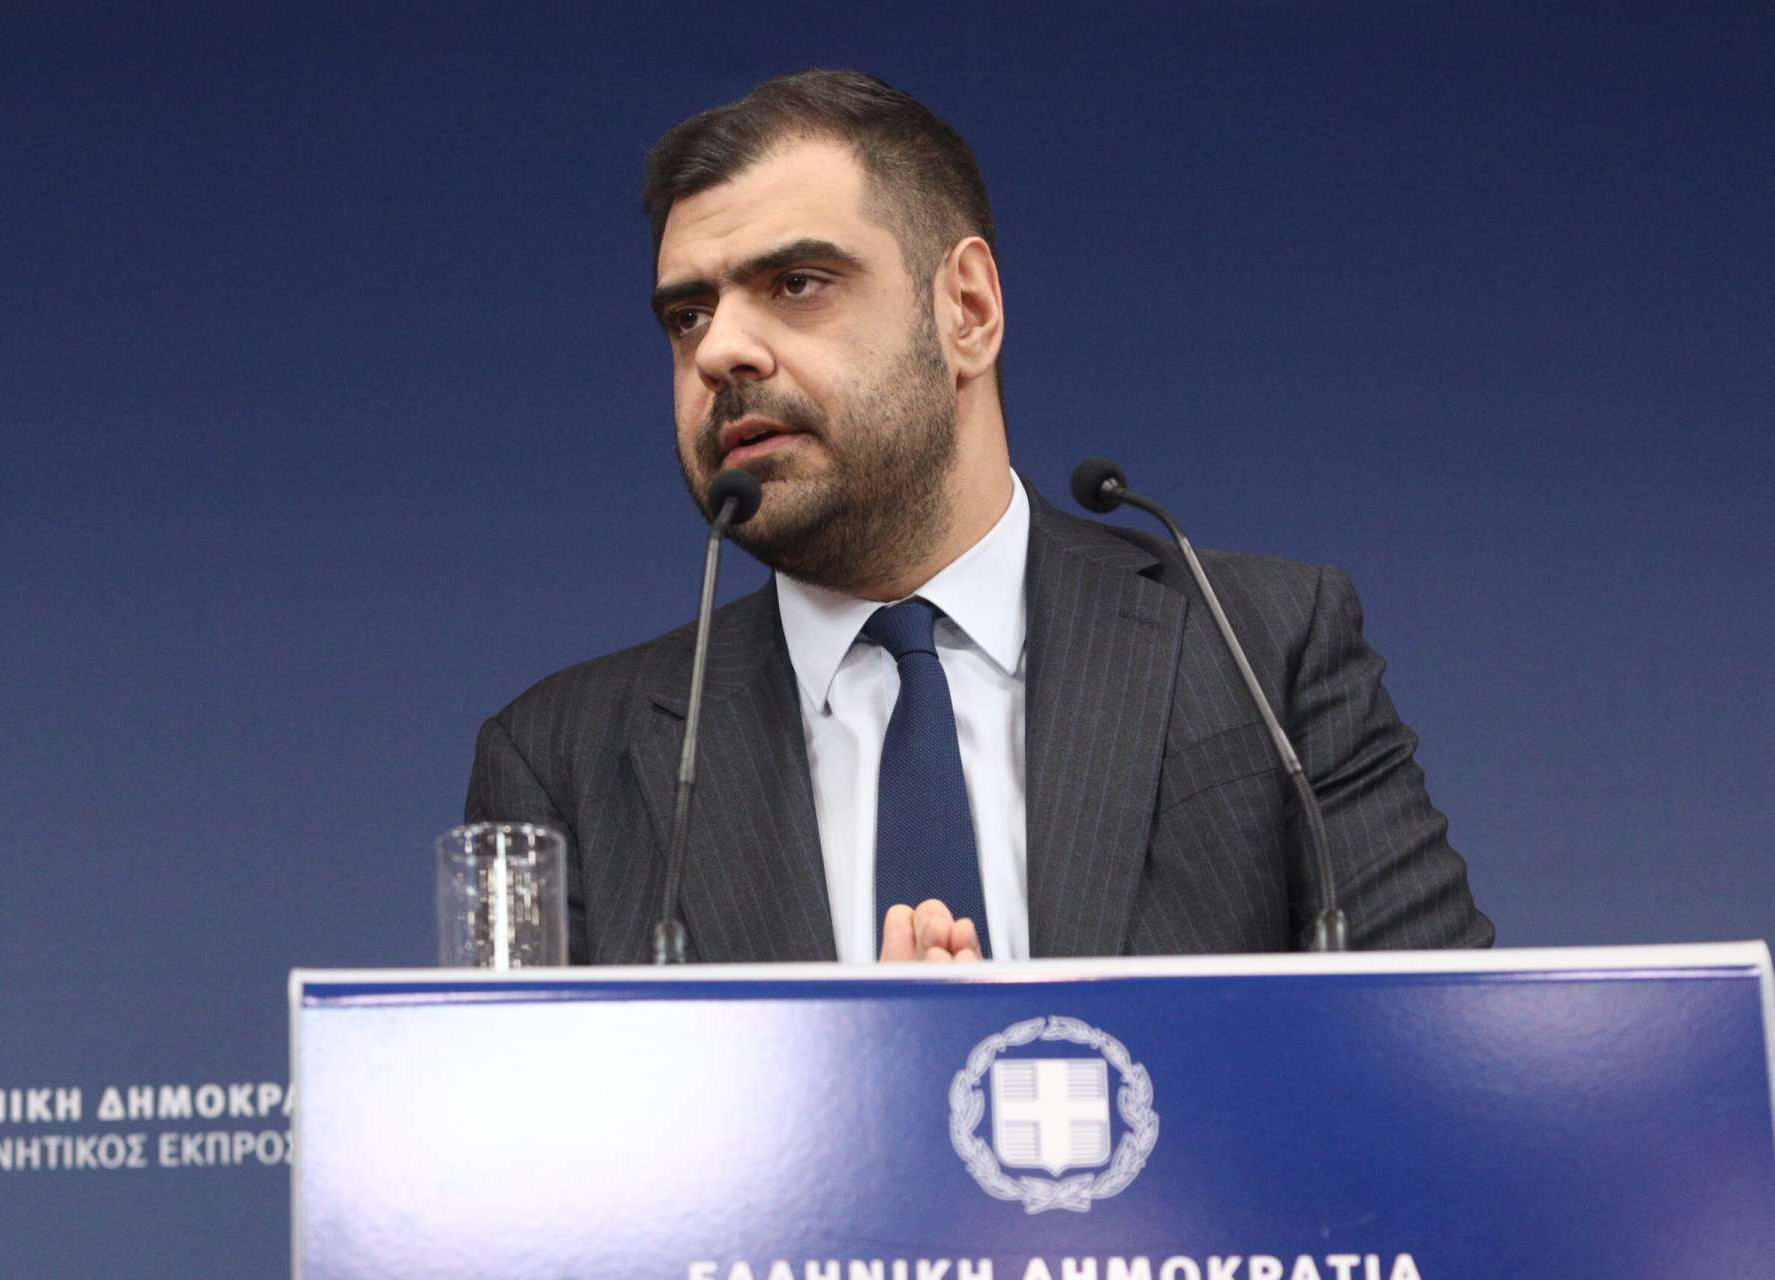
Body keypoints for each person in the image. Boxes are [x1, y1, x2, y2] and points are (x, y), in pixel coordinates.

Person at [465, 69, 1491, 965]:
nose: (722, 350)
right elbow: (517, 1125)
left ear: (967, 309)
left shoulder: (1264, 652)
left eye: (797, 283)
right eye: (688, 315)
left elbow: (1442, 1058)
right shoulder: (563, 759)